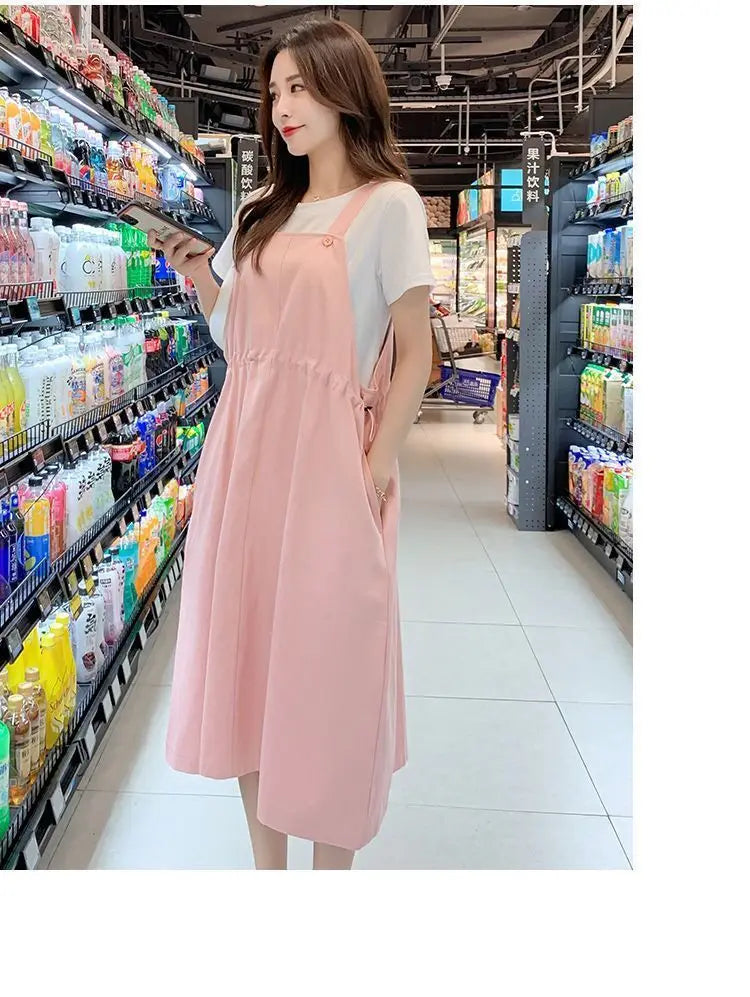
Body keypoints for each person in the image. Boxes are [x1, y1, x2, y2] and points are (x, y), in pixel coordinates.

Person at [152, 18, 434, 870]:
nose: (282, 106)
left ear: (346, 89)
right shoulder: (260, 212)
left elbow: (416, 351)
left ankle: (329, 885)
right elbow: (239, 336)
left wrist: (374, 467)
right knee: (251, 662)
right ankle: (269, 879)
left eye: (300, 87)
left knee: (329, 669)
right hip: (246, 454)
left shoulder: (389, 205)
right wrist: (198, 273)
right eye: (273, 91)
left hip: (329, 466)